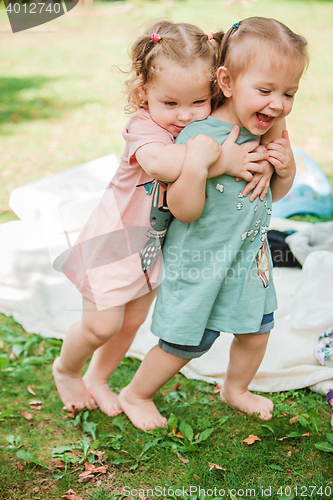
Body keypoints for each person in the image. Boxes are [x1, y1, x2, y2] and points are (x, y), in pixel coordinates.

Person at [52, 20, 269, 415]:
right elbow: (163, 164)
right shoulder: (142, 127)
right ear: (144, 91)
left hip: (151, 248)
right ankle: (66, 369)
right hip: (114, 242)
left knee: (130, 322)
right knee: (101, 325)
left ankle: (98, 379)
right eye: (170, 103)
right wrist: (220, 159)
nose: (184, 116)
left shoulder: (197, 127)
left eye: (196, 102)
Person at [118, 17, 308, 430]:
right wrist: (200, 167)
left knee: (257, 331)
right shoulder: (198, 136)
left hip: (248, 258)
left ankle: (235, 389)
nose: (277, 104)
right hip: (201, 259)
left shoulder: (267, 130)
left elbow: (271, 194)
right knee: (185, 341)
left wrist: (286, 168)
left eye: (288, 93)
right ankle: (136, 393)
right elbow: (184, 210)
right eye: (265, 90)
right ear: (225, 81)